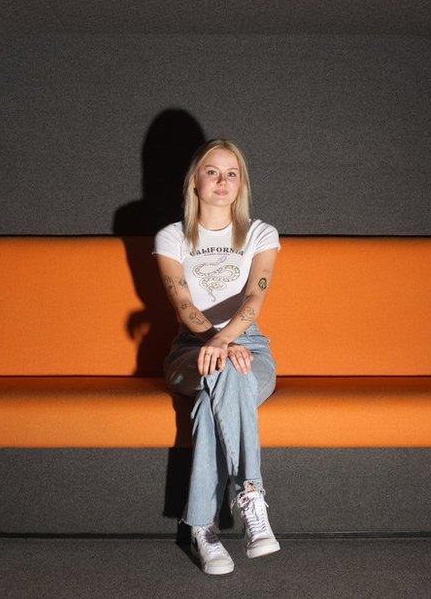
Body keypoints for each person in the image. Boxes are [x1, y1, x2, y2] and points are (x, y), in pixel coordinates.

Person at [152, 138, 282, 575]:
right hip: (190, 348)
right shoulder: (172, 237)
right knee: (222, 371)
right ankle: (252, 495)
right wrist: (213, 342)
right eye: (212, 171)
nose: (222, 181)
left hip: (251, 344)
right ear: (194, 180)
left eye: (232, 173)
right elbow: (183, 306)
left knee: (215, 399)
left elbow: (254, 300)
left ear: (241, 183)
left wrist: (226, 342)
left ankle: (203, 529)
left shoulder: (261, 233)